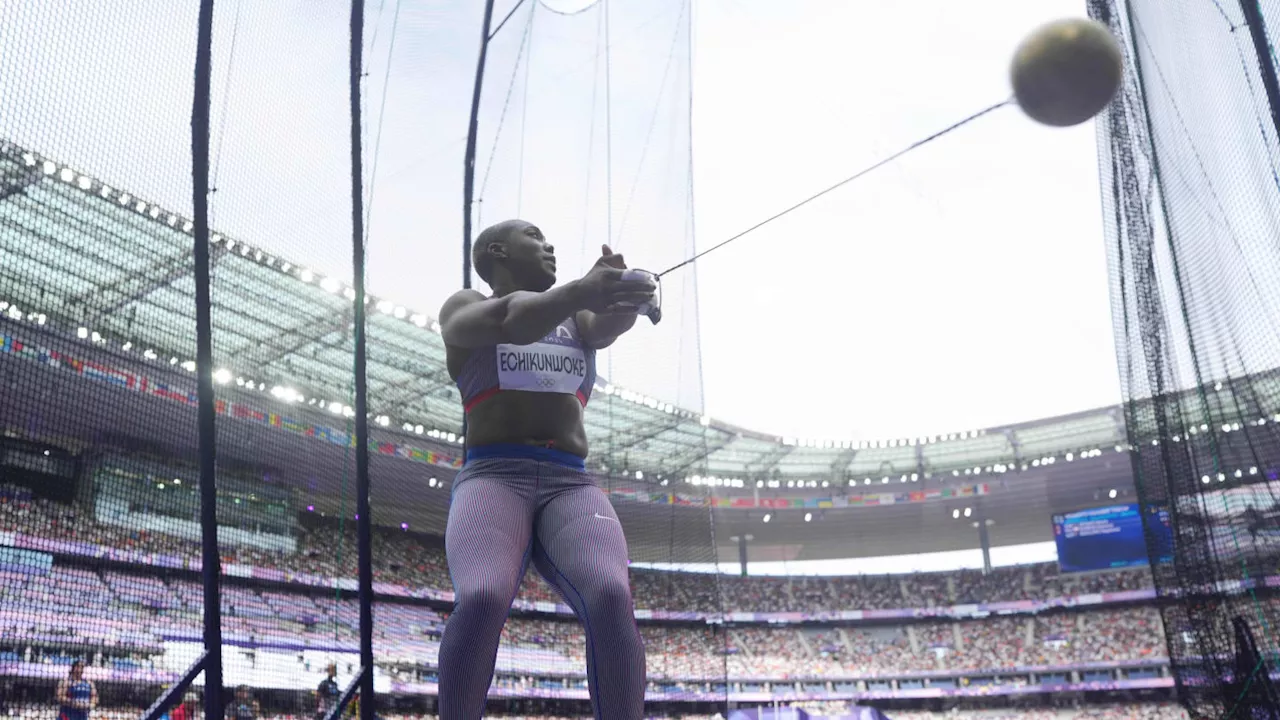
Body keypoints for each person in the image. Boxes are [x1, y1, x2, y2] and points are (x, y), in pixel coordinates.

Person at [436, 219, 654, 720]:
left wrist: (627, 298)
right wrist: (585, 288)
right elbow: (509, 320)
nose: (550, 244)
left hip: (570, 482)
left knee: (610, 593)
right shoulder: (464, 306)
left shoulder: (575, 314)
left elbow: (605, 327)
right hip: (494, 476)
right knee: (484, 595)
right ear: (497, 251)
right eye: (534, 236)